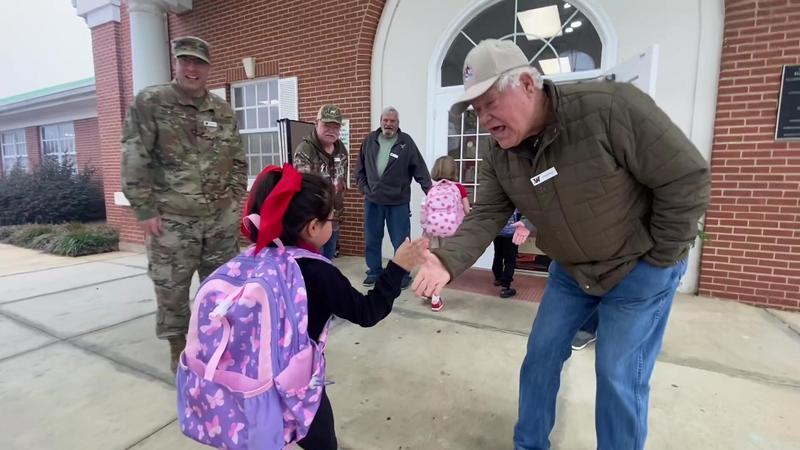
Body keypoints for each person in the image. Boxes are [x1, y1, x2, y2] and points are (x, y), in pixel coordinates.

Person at [412, 39, 710, 450]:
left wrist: (660, 258)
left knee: (618, 374)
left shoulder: (610, 108)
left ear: (527, 84)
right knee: (541, 355)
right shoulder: (499, 155)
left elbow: (686, 176)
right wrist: (446, 261)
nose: (484, 118)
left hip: (637, 269)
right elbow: (487, 213)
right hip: (572, 271)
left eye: (490, 102)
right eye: (476, 110)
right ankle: (529, 444)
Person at [243, 166, 425, 449]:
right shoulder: (318, 272)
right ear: (313, 227)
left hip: (252, 378)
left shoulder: (255, 258)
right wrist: (397, 267)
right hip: (297, 382)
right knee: (321, 440)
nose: (334, 224)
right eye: (332, 219)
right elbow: (367, 312)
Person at [121, 36, 247, 373]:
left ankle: (219, 343)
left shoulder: (222, 110)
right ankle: (179, 349)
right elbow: (134, 156)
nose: (192, 68)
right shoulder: (151, 102)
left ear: (208, 68)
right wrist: (144, 209)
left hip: (219, 219)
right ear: (175, 63)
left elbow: (238, 158)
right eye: (185, 60)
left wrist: (235, 198)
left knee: (222, 287)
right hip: (172, 220)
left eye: (199, 62)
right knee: (172, 289)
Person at [356, 106, 432, 288]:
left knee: (401, 242)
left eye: (392, 121)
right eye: (386, 120)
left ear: (398, 123)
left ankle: (402, 275)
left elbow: (420, 169)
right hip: (373, 201)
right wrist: (364, 189)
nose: (388, 124)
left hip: (398, 202)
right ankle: (374, 272)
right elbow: (359, 169)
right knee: (372, 239)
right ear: (381, 121)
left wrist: (431, 193)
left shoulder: (406, 142)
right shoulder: (369, 140)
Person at [293, 104, 348, 260]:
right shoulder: (305, 150)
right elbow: (304, 189)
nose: (331, 130)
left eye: (336, 127)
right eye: (327, 125)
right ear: (316, 124)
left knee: (328, 259)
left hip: (334, 217)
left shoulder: (341, 150)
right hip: (313, 220)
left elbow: (341, 180)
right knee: (314, 260)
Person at [419, 155, 470, 311]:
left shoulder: (432, 190)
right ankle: (436, 297)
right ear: (454, 170)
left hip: (433, 232)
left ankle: (427, 291)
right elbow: (467, 210)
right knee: (444, 266)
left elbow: (424, 212)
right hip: (452, 232)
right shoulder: (459, 188)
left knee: (432, 261)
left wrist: (425, 231)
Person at [493, 209, 530, 299]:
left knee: (498, 255)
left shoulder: (499, 203)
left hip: (497, 232)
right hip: (511, 234)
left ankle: (498, 278)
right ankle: (505, 286)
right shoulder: (517, 203)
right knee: (510, 260)